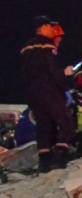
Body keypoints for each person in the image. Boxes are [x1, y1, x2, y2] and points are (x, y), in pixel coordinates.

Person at [19, 15, 75, 172]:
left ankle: (44, 162)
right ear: (43, 27)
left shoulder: (26, 47)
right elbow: (51, 69)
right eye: (50, 27)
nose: (52, 30)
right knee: (64, 120)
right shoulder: (47, 45)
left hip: (33, 91)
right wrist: (64, 76)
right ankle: (60, 157)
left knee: (43, 124)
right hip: (49, 89)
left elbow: (24, 71)